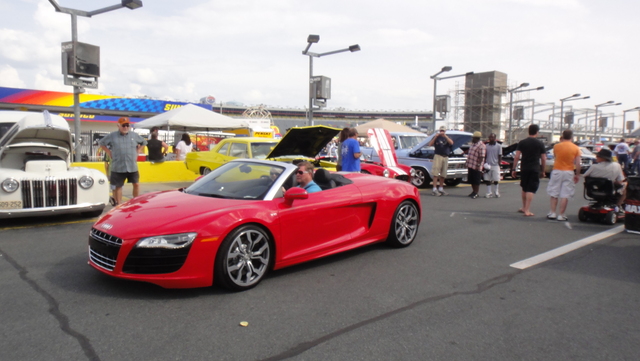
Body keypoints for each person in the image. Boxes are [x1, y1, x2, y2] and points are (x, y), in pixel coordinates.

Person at [98, 117, 147, 206]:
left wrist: (139, 150)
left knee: (136, 184)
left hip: (132, 166)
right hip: (118, 166)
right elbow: (101, 143)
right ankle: (119, 204)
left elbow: (144, 142)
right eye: (123, 125)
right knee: (118, 186)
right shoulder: (112, 136)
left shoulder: (134, 135)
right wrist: (108, 152)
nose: (125, 127)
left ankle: (135, 202)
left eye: (127, 125)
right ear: (118, 126)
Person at [512, 124, 546, 217]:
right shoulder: (540, 143)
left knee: (524, 187)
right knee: (531, 189)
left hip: (524, 168)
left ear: (528, 131)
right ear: (537, 132)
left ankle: (523, 207)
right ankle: (527, 210)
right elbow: (543, 158)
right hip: (534, 168)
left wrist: (514, 169)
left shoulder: (522, 142)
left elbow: (517, 156)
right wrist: (543, 170)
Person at [546, 129, 581, 221]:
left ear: (563, 136)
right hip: (569, 171)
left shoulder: (556, 146)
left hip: (557, 170)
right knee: (565, 194)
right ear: (571, 137)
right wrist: (577, 174)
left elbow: (555, 157)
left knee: (554, 192)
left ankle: (552, 213)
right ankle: (561, 214)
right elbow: (578, 163)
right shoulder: (576, 148)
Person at [583, 148, 626, 213]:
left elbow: (585, 176)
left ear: (602, 158)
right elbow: (620, 180)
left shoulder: (594, 167)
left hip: (594, 189)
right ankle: (618, 205)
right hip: (609, 189)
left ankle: (600, 202)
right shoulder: (617, 166)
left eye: (598, 156)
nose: (596, 157)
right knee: (625, 186)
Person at [428, 126, 454, 196]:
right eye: (441, 130)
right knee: (436, 173)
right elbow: (430, 144)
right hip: (438, 156)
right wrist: (435, 137)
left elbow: (451, 143)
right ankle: (434, 188)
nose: (442, 132)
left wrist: (445, 136)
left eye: (443, 131)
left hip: (445, 156)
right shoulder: (437, 137)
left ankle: (441, 188)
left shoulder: (447, 137)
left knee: (443, 173)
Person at [466, 131, 486, 199]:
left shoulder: (481, 146)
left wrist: (478, 164)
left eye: (473, 138)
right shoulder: (472, 144)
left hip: (476, 166)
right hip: (471, 164)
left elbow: (482, 156)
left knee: (476, 180)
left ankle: (476, 192)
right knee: (471, 179)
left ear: (477, 138)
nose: (472, 139)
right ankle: (473, 191)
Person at [484, 133, 502, 198]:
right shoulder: (486, 146)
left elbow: (500, 155)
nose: (491, 138)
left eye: (492, 137)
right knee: (487, 179)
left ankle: (496, 191)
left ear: (495, 138)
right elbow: (485, 155)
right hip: (488, 165)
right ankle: (489, 192)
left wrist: (499, 164)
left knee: (496, 179)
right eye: (490, 137)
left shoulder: (499, 146)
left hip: (495, 164)